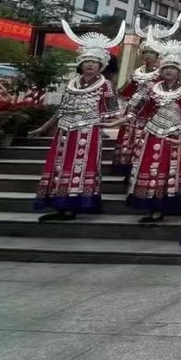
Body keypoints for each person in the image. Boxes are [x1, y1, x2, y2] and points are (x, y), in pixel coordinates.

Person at [30, 21, 125, 222]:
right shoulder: (72, 84)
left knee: (79, 167)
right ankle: (58, 203)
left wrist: (106, 123)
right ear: (80, 64)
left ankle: (74, 205)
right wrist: (43, 128)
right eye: (87, 61)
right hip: (64, 131)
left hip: (88, 132)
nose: (90, 65)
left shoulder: (105, 85)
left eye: (94, 62)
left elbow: (113, 111)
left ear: (101, 65)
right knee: (59, 166)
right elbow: (62, 110)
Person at [123, 39, 181, 223]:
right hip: (152, 134)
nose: (168, 71)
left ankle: (164, 207)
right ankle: (151, 206)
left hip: (177, 137)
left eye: (173, 68)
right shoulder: (150, 88)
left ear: (180, 71)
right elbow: (135, 109)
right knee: (151, 168)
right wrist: (120, 120)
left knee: (170, 170)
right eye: (165, 67)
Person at [113, 44, 159, 174]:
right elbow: (125, 91)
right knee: (129, 135)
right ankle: (125, 165)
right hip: (133, 108)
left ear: (157, 56)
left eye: (151, 52)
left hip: (150, 109)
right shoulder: (137, 72)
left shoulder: (161, 73)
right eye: (145, 52)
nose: (148, 55)